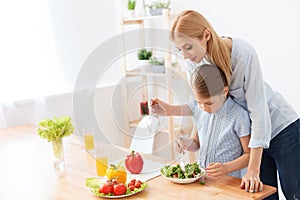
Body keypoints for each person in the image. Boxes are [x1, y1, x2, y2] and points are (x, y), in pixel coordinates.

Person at [151, 10, 300, 199]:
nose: (185, 55)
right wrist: (171, 111)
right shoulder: (193, 62)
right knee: (263, 195)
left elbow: (259, 110)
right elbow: (202, 106)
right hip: (252, 134)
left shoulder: (243, 54)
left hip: (280, 127)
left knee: (295, 193)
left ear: (206, 35)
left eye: (188, 47)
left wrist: (252, 168)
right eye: (180, 49)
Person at [176, 63, 251, 179]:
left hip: (229, 182)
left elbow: (249, 155)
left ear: (225, 92)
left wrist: (226, 168)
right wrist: (185, 143)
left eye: (209, 103)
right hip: (204, 179)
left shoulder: (239, 116)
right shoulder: (200, 111)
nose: (204, 107)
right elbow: (196, 143)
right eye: (199, 102)